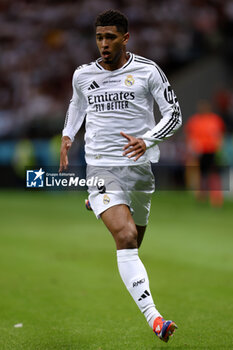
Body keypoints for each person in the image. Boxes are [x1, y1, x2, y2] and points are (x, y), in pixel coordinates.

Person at [59, 10, 182, 343]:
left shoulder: (148, 71)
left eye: (110, 37)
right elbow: (76, 106)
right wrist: (67, 135)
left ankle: (96, 202)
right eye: (99, 37)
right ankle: (156, 319)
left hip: (140, 171)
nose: (103, 44)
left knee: (135, 243)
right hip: (100, 165)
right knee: (126, 238)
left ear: (125, 38)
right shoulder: (83, 75)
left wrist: (148, 139)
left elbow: (175, 115)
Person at [185, 100, 225, 207]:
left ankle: (216, 199)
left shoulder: (215, 120)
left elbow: (219, 136)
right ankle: (201, 197)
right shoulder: (194, 121)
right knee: (200, 176)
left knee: (213, 175)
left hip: (212, 151)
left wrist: (219, 149)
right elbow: (190, 137)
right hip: (199, 152)